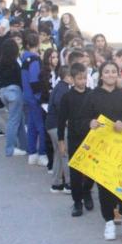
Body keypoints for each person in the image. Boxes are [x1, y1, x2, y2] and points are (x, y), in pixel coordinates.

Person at [83, 60, 122, 241]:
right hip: (101, 147)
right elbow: (84, 118)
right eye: (107, 71)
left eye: (114, 71)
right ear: (101, 75)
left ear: (118, 74)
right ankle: (109, 221)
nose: (111, 74)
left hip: (120, 147)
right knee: (104, 184)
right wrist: (91, 123)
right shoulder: (92, 95)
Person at [58, 62, 95, 217]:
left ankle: (86, 191)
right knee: (75, 171)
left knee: (92, 170)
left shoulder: (92, 94)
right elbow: (61, 120)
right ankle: (77, 202)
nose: (82, 81)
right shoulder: (67, 97)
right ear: (72, 79)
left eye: (84, 78)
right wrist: (61, 141)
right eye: (79, 78)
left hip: (91, 138)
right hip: (74, 137)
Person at [0, 40, 28, 159]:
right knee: (14, 121)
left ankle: (24, 146)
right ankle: (10, 149)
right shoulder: (14, 63)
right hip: (14, 92)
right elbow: (20, 79)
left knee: (19, 119)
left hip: (3, 91)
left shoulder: (1, 61)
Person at [21, 32, 48, 166]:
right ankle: (42, 153)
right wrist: (39, 98)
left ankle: (32, 152)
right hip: (34, 97)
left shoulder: (24, 58)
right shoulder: (35, 60)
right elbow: (34, 80)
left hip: (26, 95)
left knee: (31, 125)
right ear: (38, 44)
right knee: (41, 127)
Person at [46, 65, 72, 194]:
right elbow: (59, 104)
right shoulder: (64, 89)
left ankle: (56, 183)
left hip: (51, 125)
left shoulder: (58, 86)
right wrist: (66, 119)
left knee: (58, 153)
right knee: (65, 152)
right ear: (68, 77)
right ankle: (69, 183)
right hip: (58, 125)